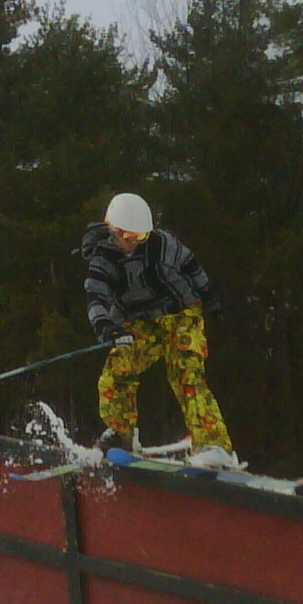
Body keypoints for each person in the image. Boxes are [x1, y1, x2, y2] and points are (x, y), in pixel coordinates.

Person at [80, 191, 239, 470]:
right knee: (118, 368)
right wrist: (106, 325)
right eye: (129, 238)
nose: (136, 244)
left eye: (141, 237)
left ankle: (214, 446)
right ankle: (121, 433)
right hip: (141, 322)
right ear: (113, 232)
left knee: (186, 372)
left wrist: (211, 300)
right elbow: (96, 297)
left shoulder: (163, 244)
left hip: (181, 314)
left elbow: (192, 266)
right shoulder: (102, 259)